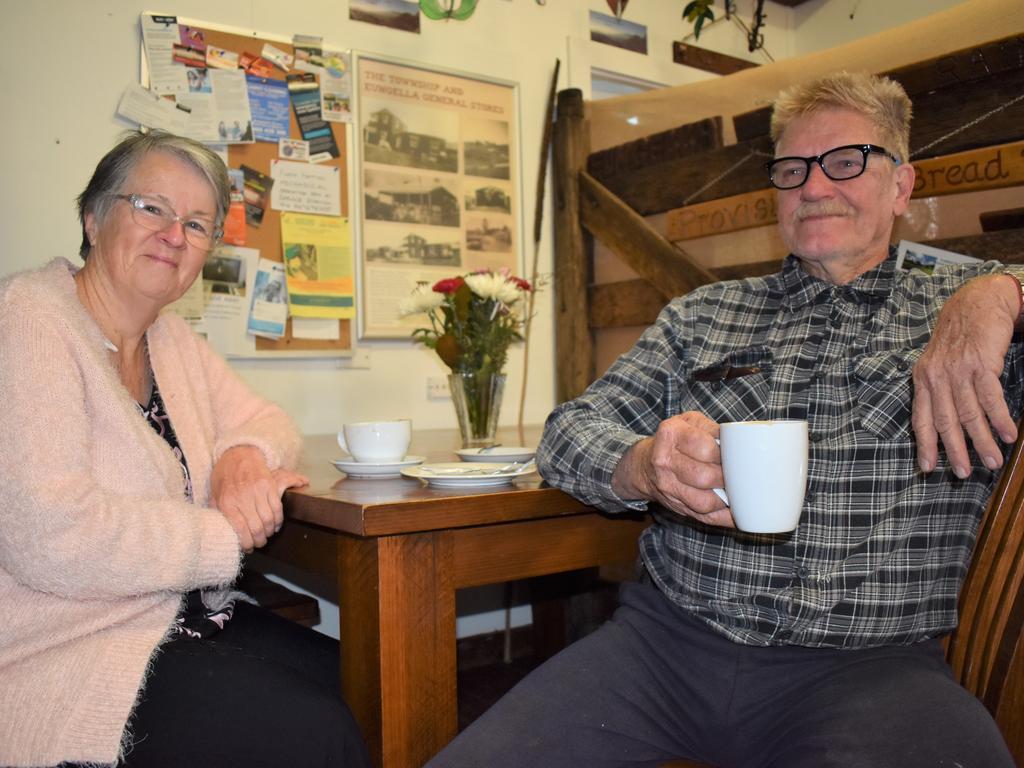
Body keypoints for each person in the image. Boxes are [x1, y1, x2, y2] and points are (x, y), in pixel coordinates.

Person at [427, 73, 1023, 767]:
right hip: (666, 649)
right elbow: (569, 433)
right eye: (792, 169)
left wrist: (1003, 289)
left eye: (847, 161)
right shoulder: (702, 315)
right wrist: (644, 463)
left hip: (873, 669)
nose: (815, 186)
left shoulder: (963, 317)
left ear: (901, 186)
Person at [0, 131, 370, 768]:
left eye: (197, 224)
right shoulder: (29, 319)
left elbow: (268, 420)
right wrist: (221, 534)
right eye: (152, 208)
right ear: (93, 217)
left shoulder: (169, 339)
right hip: (66, 645)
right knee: (315, 732)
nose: (175, 234)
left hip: (181, 618)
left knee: (372, 687)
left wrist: (242, 458)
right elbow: (49, 534)